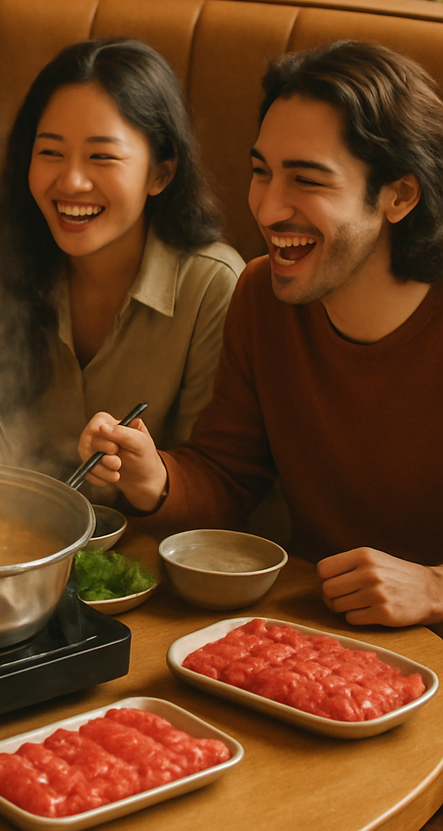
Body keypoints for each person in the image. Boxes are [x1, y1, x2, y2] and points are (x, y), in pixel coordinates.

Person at [80, 40, 443, 630]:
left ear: (398, 195)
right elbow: (229, 472)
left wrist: (431, 588)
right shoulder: (262, 295)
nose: (268, 208)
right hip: (316, 638)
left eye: (307, 180)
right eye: (261, 171)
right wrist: (155, 476)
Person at [0, 38, 243, 482]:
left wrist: (147, 470)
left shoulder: (212, 285)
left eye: (102, 156)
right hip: (5, 534)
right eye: (50, 152)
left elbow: (213, 477)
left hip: (143, 545)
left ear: (160, 173)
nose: (71, 181)